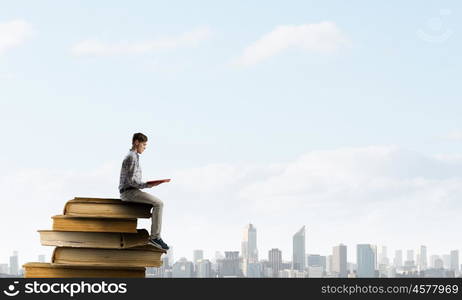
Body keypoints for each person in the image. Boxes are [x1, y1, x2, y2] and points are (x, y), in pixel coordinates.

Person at [118, 132, 169, 250]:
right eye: (143, 144)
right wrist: (149, 184)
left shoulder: (134, 156)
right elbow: (132, 182)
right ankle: (155, 237)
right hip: (129, 192)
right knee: (159, 203)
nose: (145, 147)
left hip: (131, 190)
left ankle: (155, 237)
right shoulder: (131, 157)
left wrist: (150, 184)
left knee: (157, 203)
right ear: (136, 142)